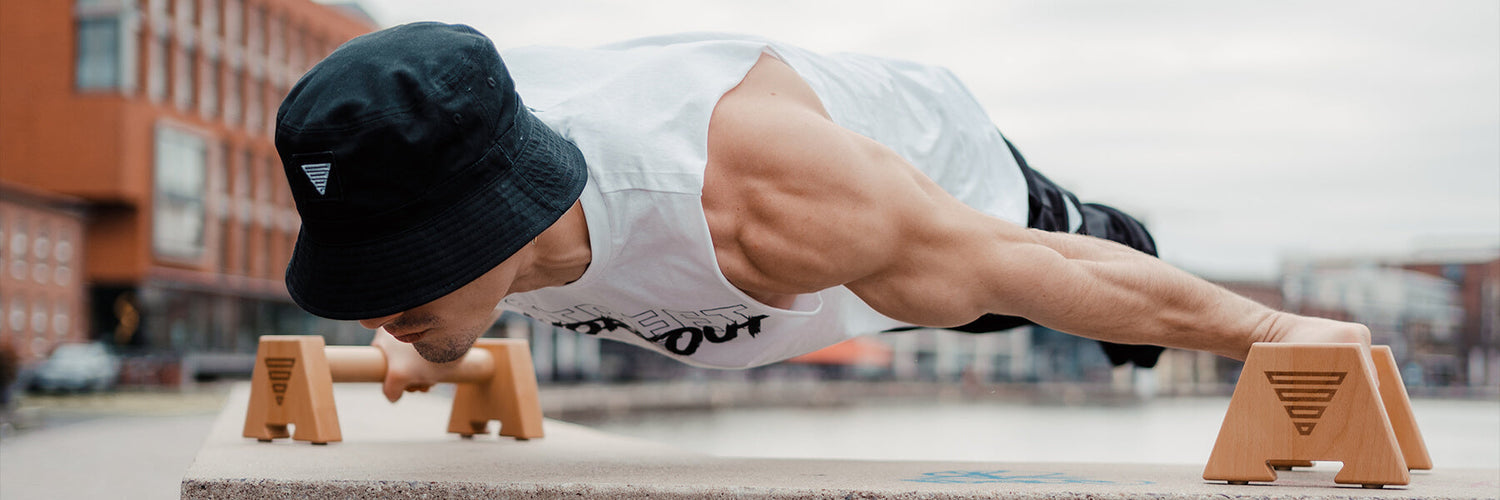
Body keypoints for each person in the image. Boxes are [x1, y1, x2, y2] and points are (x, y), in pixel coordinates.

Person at [274, 23, 1368, 402]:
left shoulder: (760, 202)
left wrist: (1274, 335)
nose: (382, 305)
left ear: (504, 217)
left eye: (402, 275)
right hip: (745, 234)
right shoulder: (439, 164)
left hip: (953, 190)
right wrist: (426, 337)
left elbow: (1006, 261)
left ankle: (1101, 217)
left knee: (1018, 286)